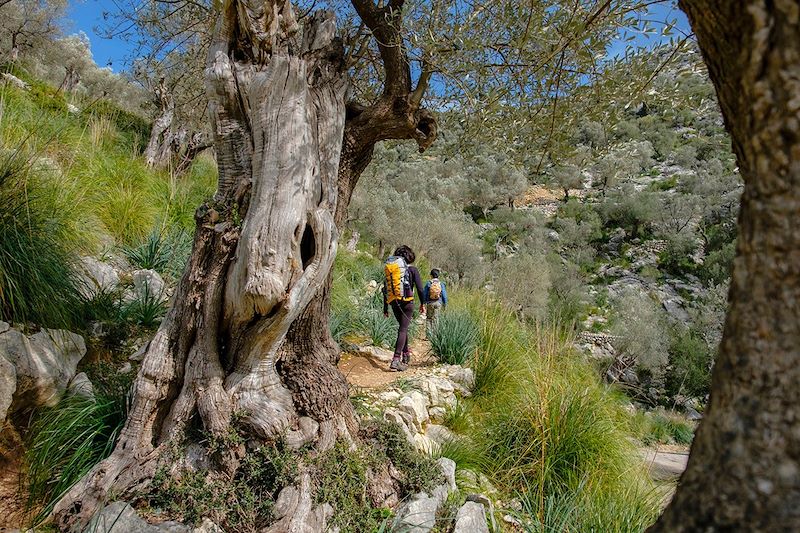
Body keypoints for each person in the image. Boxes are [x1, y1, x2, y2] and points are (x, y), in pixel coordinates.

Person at [383, 245, 425, 371]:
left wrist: (385, 308)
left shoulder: (392, 269)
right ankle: (396, 360)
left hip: (393, 302)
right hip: (407, 303)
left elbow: (385, 289)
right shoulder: (412, 270)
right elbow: (420, 289)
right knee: (403, 329)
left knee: (403, 328)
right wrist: (423, 303)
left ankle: (405, 355)